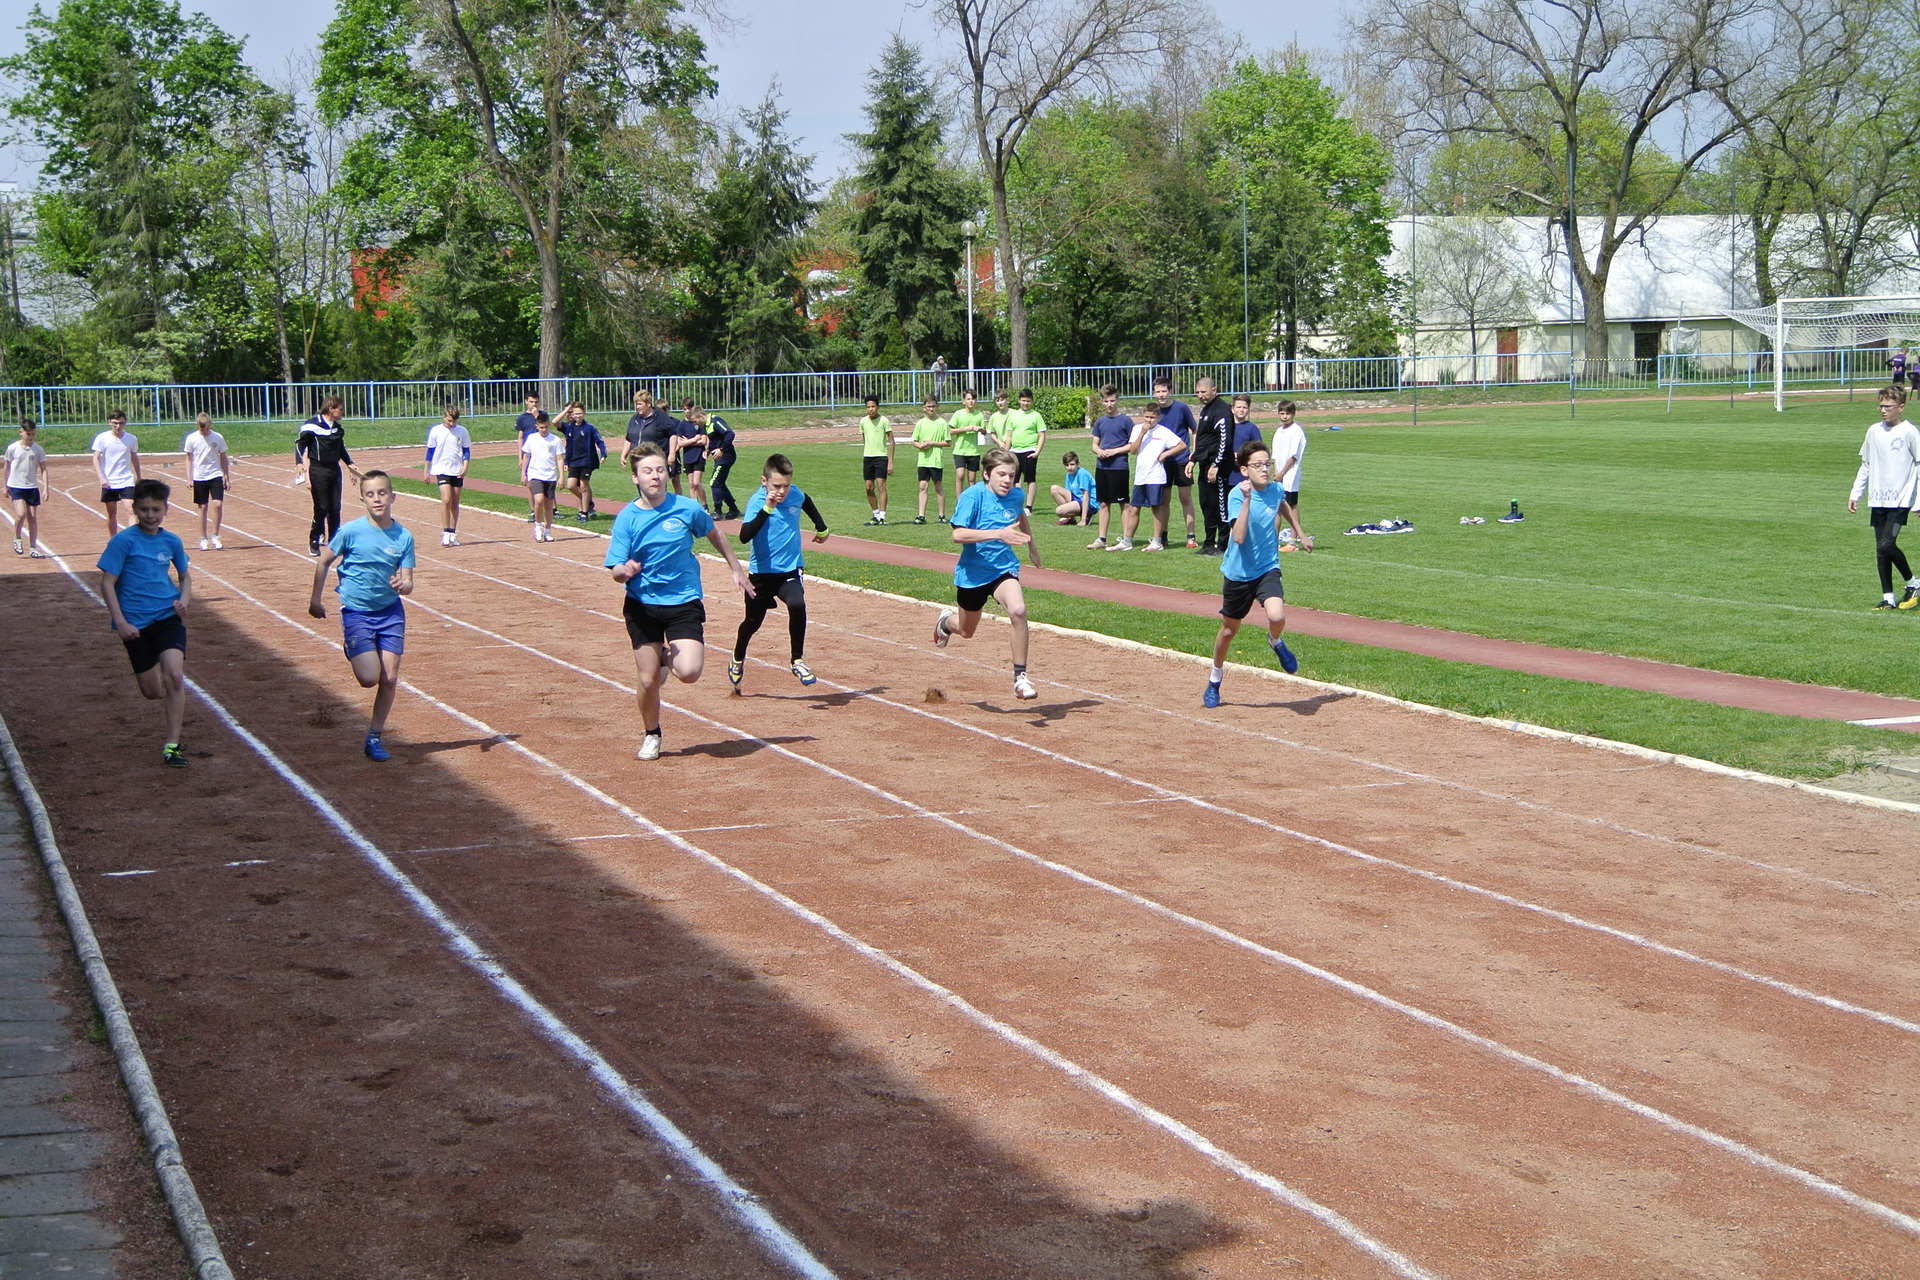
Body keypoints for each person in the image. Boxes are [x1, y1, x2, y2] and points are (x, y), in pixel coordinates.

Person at [606, 443, 753, 760]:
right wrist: (625, 570)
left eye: (660, 469)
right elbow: (615, 569)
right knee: (648, 680)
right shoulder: (627, 518)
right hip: (642, 604)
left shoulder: (686, 508)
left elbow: (714, 533)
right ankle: (652, 734)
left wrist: (736, 568)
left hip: (683, 601)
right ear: (635, 477)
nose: (655, 476)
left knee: (689, 672)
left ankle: (662, 658)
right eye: (647, 471)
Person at [308, 470, 415, 761]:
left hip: (390, 612)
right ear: (362, 500)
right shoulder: (350, 532)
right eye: (370, 494)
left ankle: (374, 737)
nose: (377, 499)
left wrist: (402, 585)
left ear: (393, 497)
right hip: (357, 612)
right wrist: (315, 600)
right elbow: (324, 562)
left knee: (389, 678)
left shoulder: (404, 537)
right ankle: (352, 645)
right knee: (370, 678)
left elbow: (408, 582)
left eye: (382, 493)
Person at [1204, 443, 1308, 706]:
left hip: (1267, 567)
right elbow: (1238, 537)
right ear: (1244, 470)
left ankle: (1275, 641)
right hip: (1238, 573)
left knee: (1277, 616)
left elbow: (1282, 505)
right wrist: (1248, 499)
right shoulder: (1236, 496)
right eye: (1257, 465)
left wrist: (1300, 533)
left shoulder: (1275, 489)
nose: (1265, 469)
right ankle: (1215, 677)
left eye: (1267, 464)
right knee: (1229, 630)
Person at [97, 478, 192, 768]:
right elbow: (107, 583)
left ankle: (172, 745)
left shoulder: (172, 541)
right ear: (135, 509)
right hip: (135, 627)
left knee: (174, 676)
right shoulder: (123, 541)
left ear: (166, 509)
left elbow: (185, 576)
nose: (150, 515)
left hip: (166, 618)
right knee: (152, 691)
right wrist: (120, 623)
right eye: (144, 509)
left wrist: (183, 600)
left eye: (156, 509)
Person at [934, 448, 1040, 701]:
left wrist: (1031, 544)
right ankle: (945, 623)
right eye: (1001, 474)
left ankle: (1020, 678)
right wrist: (998, 534)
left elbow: (1019, 515)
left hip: (1003, 568)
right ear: (986, 474)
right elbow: (958, 535)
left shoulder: (1016, 495)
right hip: (972, 574)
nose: (1007, 480)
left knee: (1018, 611)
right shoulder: (972, 496)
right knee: (966, 631)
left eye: (1011, 475)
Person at [730, 453, 830, 692]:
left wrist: (822, 528)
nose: (782, 491)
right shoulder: (757, 501)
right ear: (764, 481)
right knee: (752, 623)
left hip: (789, 570)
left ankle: (797, 660)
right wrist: (768, 507)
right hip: (761, 575)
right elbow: (744, 536)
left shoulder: (794, 493)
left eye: (786, 485)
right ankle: (737, 656)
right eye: (776, 486)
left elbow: (806, 500)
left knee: (797, 604)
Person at [1848, 386, 1920, 608]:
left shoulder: (1910, 432)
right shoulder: (1873, 431)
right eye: (1881, 406)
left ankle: (1913, 583)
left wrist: (1919, 501)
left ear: (1901, 407)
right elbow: (1866, 464)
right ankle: (1888, 598)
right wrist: (1855, 493)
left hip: (1900, 499)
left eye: (1888, 406)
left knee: (1887, 544)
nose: (1883, 410)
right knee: (1881, 548)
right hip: (1878, 498)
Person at [1107, 404, 1185, 553]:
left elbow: (1182, 445)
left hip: (1156, 476)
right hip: (1141, 476)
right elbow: (1133, 450)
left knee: (1156, 508)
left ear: (1158, 417)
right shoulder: (1137, 429)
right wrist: (1142, 433)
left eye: (1152, 417)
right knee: (1133, 508)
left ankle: (1157, 541)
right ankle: (1127, 541)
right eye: (1147, 417)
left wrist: (1166, 454)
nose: (1149, 420)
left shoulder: (1163, 431)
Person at [295, 395, 359, 556]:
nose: (343, 412)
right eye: (340, 409)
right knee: (321, 507)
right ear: (331, 409)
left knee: (335, 508)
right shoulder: (312, 425)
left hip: (334, 470)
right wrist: (299, 463)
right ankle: (314, 540)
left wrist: (350, 464)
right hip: (318, 470)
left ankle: (334, 542)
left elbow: (340, 448)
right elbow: (299, 444)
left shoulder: (338, 428)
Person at [1151, 374, 1199, 548]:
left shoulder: (1181, 408)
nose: (1161, 395)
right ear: (1154, 393)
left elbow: (1194, 430)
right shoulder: (1154, 412)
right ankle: (1163, 536)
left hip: (1181, 460)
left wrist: (1193, 453)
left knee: (1185, 497)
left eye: (1164, 391)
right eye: (1158, 392)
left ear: (1170, 391)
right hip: (1162, 462)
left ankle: (1191, 536)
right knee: (1164, 499)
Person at [1085, 384, 1135, 550]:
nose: (1109, 404)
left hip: (1119, 467)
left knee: (1123, 503)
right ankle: (1102, 538)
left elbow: (1133, 445)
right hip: (1102, 467)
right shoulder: (1100, 422)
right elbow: (1094, 444)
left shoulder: (1126, 421)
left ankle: (1126, 539)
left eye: (1112, 401)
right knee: (1103, 503)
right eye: (1106, 401)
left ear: (1118, 400)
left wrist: (1115, 451)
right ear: (1102, 402)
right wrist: (1099, 451)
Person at [1192, 376, 1232, 555]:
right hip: (1204, 465)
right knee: (1207, 505)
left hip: (1218, 467)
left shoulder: (1222, 410)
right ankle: (1208, 543)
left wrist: (1216, 464)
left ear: (1214, 390)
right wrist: (1193, 459)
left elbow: (1225, 441)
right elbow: (1203, 440)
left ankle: (1223, 546)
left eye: (1204, 392)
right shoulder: (1206, 409)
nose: (1200, 395)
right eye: (1198, 392)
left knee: (1221, 506)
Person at [180, 412, 230, 551]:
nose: (205, 431)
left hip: (215, 475)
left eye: (207, 428)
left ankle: (215, 535)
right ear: (197, 425)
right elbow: (189, 458)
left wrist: (226, 476)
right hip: (199, 476)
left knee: (217, 504)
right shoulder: (192, 438)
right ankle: (203, 537)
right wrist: (189, 478)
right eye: (202, 429)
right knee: (203, 507)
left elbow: (223, 457)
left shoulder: (218, 437)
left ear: (210, 425)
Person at [424, 405, 472, 546]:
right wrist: (426, 470)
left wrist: (465, 467)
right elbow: (430, 451)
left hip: (456, 469)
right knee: (446, 499)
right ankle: (445, 532)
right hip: (441, 469)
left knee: (455, 502)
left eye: (454, 421)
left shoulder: (462, 431)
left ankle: (452, 533)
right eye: (449, 420)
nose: (452, 423)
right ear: (444, 417)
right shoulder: (436, 431)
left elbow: (466, 450)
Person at [997, 387, 1048, 513]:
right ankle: (1016, 504)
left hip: (1030, 451)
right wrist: (1007, 451)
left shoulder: (1036, 416)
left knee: (1030, 479)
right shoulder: (1013, 415)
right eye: (1024, 400)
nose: (1026, 403)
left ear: (1032, 401)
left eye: (1028, 401)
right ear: (1019, 400)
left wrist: (1037, 452)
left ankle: (1029, 507)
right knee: (1014, 479)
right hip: (1015, 451)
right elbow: (1009, 436)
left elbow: (1042, 436)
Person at [92, 410, 141, 541]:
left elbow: (134, 457)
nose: (118, 426)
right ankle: (113, 540)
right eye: (115, 423)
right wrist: (101, 477)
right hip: (109, 481)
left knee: (131, 510)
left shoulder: (131, 439)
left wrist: (138, 476)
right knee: (111, 513)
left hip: (126, 480)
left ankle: (132, 541)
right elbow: (96, 457)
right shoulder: (102, 438)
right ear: (109, 422)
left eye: (121, 423)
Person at [521, 411, 567, 542]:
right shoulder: (531, 438)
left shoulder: (555, 440)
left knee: (549, 504)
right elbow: (526, 456)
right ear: (537, 426)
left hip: (550, 475)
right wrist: (523, 473)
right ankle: (538, 526)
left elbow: (559, 459)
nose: (544, 430)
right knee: (539, 500)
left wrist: (561, 477)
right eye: (541, 427)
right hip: (535, 474)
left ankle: (548, 530)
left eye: (546, 427)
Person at [8, 419, 49, 557]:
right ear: (21, 432)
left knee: (32, 517)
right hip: (16, 485)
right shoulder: (13, 448)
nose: (30, 437)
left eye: (33, 434)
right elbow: (7, 467)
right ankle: (17, 537)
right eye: (28, 434)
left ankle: (33, 547)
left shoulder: (38, 450)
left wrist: (46, 488)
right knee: (21, 514)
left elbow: (43, 469)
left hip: (31, 486)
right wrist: (5, 485)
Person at [560, 401, 606, 521]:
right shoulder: (569, 428)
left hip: (586, 461)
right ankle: (588, 502)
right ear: (572, 414)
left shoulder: (589, 428)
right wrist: (566, 462)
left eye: (580, 413)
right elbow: (555, 423)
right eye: (575, 413)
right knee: (571, 486)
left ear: (584, 413)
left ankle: (584, 513)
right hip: (574, 461)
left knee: (584, 486)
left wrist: (603, 454)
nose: (578, 416)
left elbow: (599, 441)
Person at [621, 389, 674, 487]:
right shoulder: (634, 419)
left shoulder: (660, 417)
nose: (637, 407)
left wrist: (672, 454)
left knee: (656, 489)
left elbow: (673, 435)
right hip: (638, 460)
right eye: (636, 404)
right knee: (641, 488)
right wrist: (623, 455)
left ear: (649, 404)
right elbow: (629, 439)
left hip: (654, 460)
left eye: (640, 404)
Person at [911, 395, 950, 524]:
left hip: (936, 460)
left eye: (933, 406)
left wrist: (932, 443)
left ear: (937, 407)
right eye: (929, 407)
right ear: (924, 408)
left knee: (938, 486)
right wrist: (921, 445)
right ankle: (921, 515)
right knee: (923, 486)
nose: (931, 409)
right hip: (923, 460)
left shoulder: (942, 423)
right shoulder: (920, 423)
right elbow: (915, 441)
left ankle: (941, 515)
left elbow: (948, 442)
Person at [1271, 399, 1307, 539]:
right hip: (1279, 475)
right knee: (1277, 506)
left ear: (1293, 414)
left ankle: (1293, 539)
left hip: (1290, 474)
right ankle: (1274, 540)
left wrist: (1282, 473)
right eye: (1282, 413)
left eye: (1287, 413)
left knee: (1291, 505)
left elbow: (1293, 456)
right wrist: (1276, 473)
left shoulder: (1296, 431)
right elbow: (1275, 455)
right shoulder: (1278, 431)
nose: (1284, 416)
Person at [858, 393, 894, 525]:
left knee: (881, 485)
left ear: (878, 407)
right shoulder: (863, 421)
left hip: (881, 457)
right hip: (868, 457)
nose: (871, 409)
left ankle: (882, 516)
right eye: (868, 407)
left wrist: (890, 461)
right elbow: (864, 439)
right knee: (869, 487)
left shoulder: (884, 421)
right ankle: (875, 514)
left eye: (873, 406)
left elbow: (891, 441)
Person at [702, 407, 740, 519]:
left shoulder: (715, 421)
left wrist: (721, 449)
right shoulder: (705, 425)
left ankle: (718, 511)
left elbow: (730, 433)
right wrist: (708, 450)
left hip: (727, 456)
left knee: (714, 482)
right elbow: (715, 440)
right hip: (720, 458)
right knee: (719, 483)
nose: (695, 424)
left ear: (701, 416)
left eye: (695, 421)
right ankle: (733, 509)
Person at [671, 401, 708, 506]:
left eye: (689, 408)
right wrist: (694, 440)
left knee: (697, 483)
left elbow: (703, 441)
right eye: (685, 409)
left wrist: (687, 442)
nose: (687, 411)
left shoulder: (699, 422)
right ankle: (694, 506)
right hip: (688, 457)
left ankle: (705, 506)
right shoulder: (681, 425)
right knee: (691, 484)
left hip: (699, 455)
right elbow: (680, 443)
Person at [949, 388, 986, 490]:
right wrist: (967, 428)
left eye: (973, 399)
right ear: (964, 401)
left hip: (973, 451)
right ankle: (959, 499)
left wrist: (980, 429)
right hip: (960, 450)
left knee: (972, 478)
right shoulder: (958, 414)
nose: (971, 401)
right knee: (960, 475)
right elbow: (951, 431)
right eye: (968, 399)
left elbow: (984, 431)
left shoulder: (979, 415)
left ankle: (972, 498)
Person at [1049, 452, 1096, 524]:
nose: (1069, 467)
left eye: (1072, 464)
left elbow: (1086, 495)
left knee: (1059, 511)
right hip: (1077, 498)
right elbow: (1068, 492)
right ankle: (1071, 519)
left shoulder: (1083, 474)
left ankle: (1087, 516)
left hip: (1090, 503)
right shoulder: (1069, 474)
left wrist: (1083, 520)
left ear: (1078, 464)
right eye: (1067, 465)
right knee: (1054, 488)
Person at [516, 393, 542, 522]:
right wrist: (520, 457)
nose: (533, 404)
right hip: (528, 453)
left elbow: (545, 429)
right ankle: (533, 510)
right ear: (526, 401)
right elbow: (520, 438)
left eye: (536, 402)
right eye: (531, 402)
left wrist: (537, 415)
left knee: (546, 481)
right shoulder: (522, 418)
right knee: (529, 484)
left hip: (541, 453)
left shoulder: (542, 415)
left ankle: (553, 509)